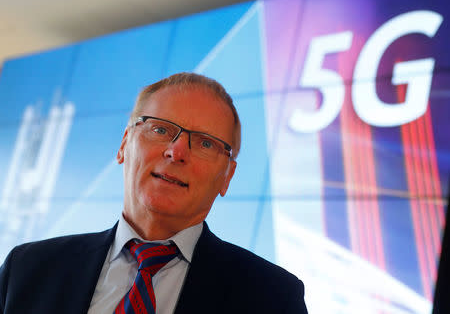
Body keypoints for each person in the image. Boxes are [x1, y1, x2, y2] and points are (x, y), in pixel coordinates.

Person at [0, 72, 308, 314]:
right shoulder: (27, 269)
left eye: (205, 143)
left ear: (226, 176)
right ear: (123, 145)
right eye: (160, 129)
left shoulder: (273, 297)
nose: (177, 152)